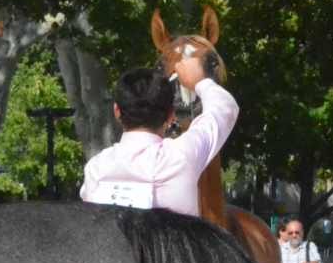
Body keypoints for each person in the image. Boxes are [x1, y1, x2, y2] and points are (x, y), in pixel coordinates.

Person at [79, 53, 238, 217]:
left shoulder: (95, 168)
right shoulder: (181, 156)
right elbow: (224, 108)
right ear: (171, 116)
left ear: (117, 111)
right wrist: (200, 81)